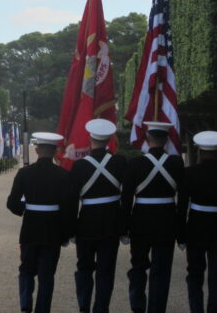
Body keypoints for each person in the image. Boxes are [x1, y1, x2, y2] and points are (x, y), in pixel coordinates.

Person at [7, 132, 75, 313]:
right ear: (55, 152)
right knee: (46, 276)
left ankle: (25, 306)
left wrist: (27, 209)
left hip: (30, 229)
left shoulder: (24, 173)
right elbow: (68, 207)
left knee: (26, 270)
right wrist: (67, 232)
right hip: (52, 230)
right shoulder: (63, 175)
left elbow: (12, 203)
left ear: (37, 150)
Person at [121, 121, 184, 313]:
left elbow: (126, 198)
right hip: (166, 220)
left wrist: (124, 227)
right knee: (162, 270)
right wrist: (181, 230)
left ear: (148, 140)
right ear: (166, 141)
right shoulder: (176, 163)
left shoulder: (135, 163)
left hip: (140, 220)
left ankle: (137, 305)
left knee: (138, 265)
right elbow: (183, 198)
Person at [176, 130, 217, 313]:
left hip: (195, 227)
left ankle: (196, 309)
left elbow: (181, 208)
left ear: (199, 152)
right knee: (216, 276)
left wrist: (180, 235)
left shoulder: (189, 173)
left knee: (194, 274)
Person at [70, 118, 127, 313]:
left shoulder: (79, 166)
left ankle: (84, 306)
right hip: (111, 223)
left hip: (86, 223)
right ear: (110, 139)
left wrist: (71, 228)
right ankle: (101, 308)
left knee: (84, 268)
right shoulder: (120, 162)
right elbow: (126, 196)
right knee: (106, 271)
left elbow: (72, 202)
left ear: (90, 138)